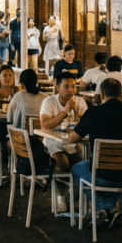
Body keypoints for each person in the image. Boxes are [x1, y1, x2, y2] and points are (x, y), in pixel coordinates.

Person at [63, 78, 122, 230]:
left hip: (102, 176)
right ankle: (109, 211)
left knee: (77, 169)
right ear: (121, 95)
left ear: (101, 94)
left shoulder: (93, 112)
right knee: (109, 177)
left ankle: (108, 208)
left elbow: (72, 139)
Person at [39, 75, 88, 213]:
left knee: (84, 162)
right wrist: (65, 112)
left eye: (73, 86)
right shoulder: (49, 101)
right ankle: (61, 196)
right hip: (52, 141)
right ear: (57, 87)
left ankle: (78, 193)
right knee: (62, 163)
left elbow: (85, 125)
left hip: (74, 142)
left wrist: (76, 112)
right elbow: (45, 125)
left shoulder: (80, 101)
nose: (71, 90)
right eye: (66, 86)